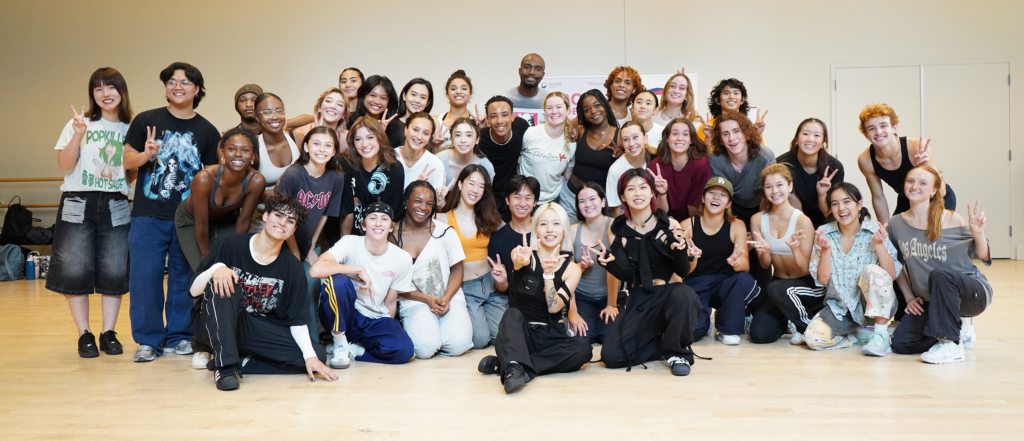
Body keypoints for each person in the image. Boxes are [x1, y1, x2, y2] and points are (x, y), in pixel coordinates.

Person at [122, 62, 220, 362]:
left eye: (185, 82)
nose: (178, 86)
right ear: (166, 87)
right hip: (148, 213)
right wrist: (146, 155)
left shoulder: (207, 130)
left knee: (184, 277)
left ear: (197, 89)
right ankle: (148, 340)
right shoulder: (146, 121)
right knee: (144, 278)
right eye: (172, 82)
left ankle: (180, 336)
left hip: (186, 217)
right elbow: (127, 161)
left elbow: (214, 172)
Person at [188, 192, 336, 390]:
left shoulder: (292, 267)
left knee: (317, 356)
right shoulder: (232, 244)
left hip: (254, 328)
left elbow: (297, 321)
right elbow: (193, 291)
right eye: (278, 215)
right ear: (266, 216)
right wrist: (216, 270)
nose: (283, 222)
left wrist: (309, 356)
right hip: (214, 321)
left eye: (290, 220)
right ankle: (225, 367)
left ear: (293, 230)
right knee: (226, 282)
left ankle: (242, 362)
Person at [50, 67, 133, 358]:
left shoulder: (130, 128)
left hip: (116, 203)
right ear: (92, 94)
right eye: (98, 89)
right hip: (78, 201)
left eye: (111, 88)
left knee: (114, 269)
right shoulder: (78, 123)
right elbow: (64, 165)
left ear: (122, 92)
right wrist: (77, 135)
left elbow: (132, 172)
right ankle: (84, 334)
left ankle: (108, 332)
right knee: (74, 268)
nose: (106, 94)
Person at [477, 203, 591, 394]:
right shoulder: (522, 253)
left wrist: (548, 275)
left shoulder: (572, 269)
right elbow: (517, 260)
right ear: (536, 229)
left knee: (583, 349)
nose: (549, 230)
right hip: (521, 335)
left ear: (564, 229)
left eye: (556, 224)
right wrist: (520, 259)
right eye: (543, 224)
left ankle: (512, 365)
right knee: (511, 314)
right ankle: (514, 364)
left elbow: (554, 308)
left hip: (552, 335)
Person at [599, 168, 701, 376]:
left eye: (643, 187)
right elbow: (627, 275)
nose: (638, 193)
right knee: (611, 357)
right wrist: (609, 264)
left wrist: (682, 253)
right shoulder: (617, 230)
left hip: (670, 293)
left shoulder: (669, 224)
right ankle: (662, 344)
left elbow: (683, 271)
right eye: (631, 189)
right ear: (622, 196)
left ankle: (677, 353)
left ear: (652, 192)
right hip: (640, 297)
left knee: (686, 295)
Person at [888, 165, 991, 364]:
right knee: (902, 344)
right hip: (933, 300)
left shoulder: (950, 218)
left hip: (971, 293)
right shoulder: (896, 224)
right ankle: (957, 329)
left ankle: (950, 343)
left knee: (941, 274)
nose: (915, 186)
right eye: (911, 181)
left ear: (934, 190)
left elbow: (982, 255)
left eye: (922, 183)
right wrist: (909, 297)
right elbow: (896, 263)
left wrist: (979, 233)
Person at [311, 202, 416, 368]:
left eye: (384, 219)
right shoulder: (350, 243)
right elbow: (315, 270)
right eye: (372, 218)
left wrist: (388, 332)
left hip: (375, 319)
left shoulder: (402, 258)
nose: (378, 223)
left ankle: (354, 350)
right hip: (346, 315)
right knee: (337, 281)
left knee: (405, 351)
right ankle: (339, 343)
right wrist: (356, 269)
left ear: (391, 227)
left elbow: (390, 302)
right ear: (364, 225)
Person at [801, 183, 901, 354]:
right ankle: (854, 336)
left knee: (872, 270)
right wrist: (825, 250)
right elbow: (823, 280)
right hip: (840, 309)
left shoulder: (874, 232)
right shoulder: (824, 233)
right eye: (835, 203)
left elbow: (891, 274)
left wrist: (879, 245)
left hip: (872, 307)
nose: (841, 208)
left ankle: (880, 335)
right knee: (813, 339)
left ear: (859, 205)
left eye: (847, 201)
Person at [392, 181, 474, 358]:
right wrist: (427, 300)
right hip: (413, 299)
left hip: (447, 296)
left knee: (458, 345)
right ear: (406, 201)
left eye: (429, 204)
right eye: (418, 201)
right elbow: (394, 281)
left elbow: (457, 270)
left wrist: (446, 298)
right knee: (425, 348)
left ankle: (442, 331)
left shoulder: (445, 232)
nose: (424, 207)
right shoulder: (392, 235)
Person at [681, 177, 759, 346]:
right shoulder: (688, 224)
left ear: (729, 203)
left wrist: (736, 263)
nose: (716, 198)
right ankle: (705, 320)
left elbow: (745, 265)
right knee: (692, 333)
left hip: (725, 284)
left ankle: (728, 328)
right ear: (703, 198)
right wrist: (692, 258)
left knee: (742, 279)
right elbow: (682, 271)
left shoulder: (736, 225)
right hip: (696, 283)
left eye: (722, 195)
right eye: (712, 193)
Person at [746, 165, 819, 345]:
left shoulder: (802, 221)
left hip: (805, 284)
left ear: (790, 186)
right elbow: (764, 265)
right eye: (769, 186)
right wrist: (763, 252)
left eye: (779, 185)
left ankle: (807, 327)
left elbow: (805, 267)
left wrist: (794, 249)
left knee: (774, 288)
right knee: (760, 335)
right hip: (778, 285)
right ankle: (790, 318)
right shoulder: (757, 219)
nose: (774, 191)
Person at [175, 128, 265, 271]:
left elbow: (244, 220)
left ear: (253, 156)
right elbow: (202, 224)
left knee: (231, 267)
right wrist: (208, 260)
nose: (238, 154)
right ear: (222, 152)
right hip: (192, 220)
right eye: (232, 149)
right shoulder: (204, 179)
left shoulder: (256, 181)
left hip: (226, 219)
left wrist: (235, 255)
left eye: (245, 150)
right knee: (205, 271)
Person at [437, 165, 503, 348]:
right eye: (471, 183)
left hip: (491, 283)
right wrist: (437, 202)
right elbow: (415, 218)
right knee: (480, 340)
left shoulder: (489, 217)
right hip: (465, 287)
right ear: (459, 184)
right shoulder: (443, 218)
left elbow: (511, 232)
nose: (475, 190)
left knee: (500, 337)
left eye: (481, 186)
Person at [856, 103, 956, 223]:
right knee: (895, 235)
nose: (878, 132)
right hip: (908, 199)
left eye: (883, 126)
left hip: (937, 198)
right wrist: (886, 229)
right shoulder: (865, 160)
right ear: (866, 134)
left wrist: (927, 165)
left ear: (894, 128)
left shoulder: (915, 146)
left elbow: (942, 191)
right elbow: (878, 197)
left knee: (929, 238)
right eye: (872, 128)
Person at [275, 126, 346, 265]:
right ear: (306, 147)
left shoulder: (337, 177)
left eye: (328, 145)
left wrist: (311, 247)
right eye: (316, 143)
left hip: (307, 243)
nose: (322, 149)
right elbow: (282, 218)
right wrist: (295, 252)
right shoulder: (293, 175)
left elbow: (325, 214)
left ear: (333, 152)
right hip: (282, 241)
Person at [708, 112, 776, 227]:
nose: (732, 138)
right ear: (720, 140)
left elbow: (768, 196)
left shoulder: (765, 156)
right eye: (725, 134)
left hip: (761, 208)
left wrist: (759, 227)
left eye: (736, 131)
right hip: (730, 209)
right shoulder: (716, 159)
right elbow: (719, 195)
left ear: (746, 133)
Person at [569, 182, 617, 344]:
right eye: (582, 201)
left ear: (603, 202)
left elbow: (616, 270)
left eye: (592, 199)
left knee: (609, 338)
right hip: (582, 296)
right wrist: (573, 313)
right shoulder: (573, 230)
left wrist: (612, 304)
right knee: (583, 337)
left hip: (609, 296)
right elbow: (566, 273)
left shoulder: (614, 227)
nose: (587, 205)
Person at [340, 117, 405, 235]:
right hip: (354, 233)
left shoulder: (394, 169)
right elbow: (347, 210)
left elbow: (390, 213)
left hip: (380, 233)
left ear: (380, 138)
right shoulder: (345, 165)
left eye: (370, 137)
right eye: (358, 139)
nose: (364, 144)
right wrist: (346, 243)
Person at [775, 118, 844, 228]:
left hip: (826, 224)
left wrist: (822, 194)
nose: (810, 139)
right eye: (805, 134)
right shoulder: (781, 164)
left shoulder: (834, 167)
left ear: (823, 143)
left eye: (817, 135)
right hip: (790, 221)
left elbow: (829, 212)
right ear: (796, 139)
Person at [487, 175, 540, 300]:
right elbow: (502, 288)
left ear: (535, 202)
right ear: (507, 200)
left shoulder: (544, 230)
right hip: (516, 301)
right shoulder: (498, 239)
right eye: (517, 197)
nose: (522, 204)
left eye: (528, 198)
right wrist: (501, 281)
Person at [649, 118, 711, 223]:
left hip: (691, 223)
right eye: (675, 134)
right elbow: (659, 211)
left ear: (691, 140)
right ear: (667, 139)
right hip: (663, 222)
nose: (680, 138)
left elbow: (694, 207)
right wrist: (662, 193)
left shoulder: (701, 165)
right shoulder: (656, 166)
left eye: (685, 134)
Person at [518, 92, 575, 206]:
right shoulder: (531, 133)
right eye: (549, 108)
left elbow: (568, 176)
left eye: (559, 107)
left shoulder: (572, 143)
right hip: (526, 198)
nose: (554, 111)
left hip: (553, 199)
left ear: (568, 110)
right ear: (544, 111)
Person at [479, 95, 530, 221]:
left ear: (512, 116)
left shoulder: (521, 127)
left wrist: (571, 131)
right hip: (488, 196)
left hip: (514, 194)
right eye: (494, 116)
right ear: (488, 120)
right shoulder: (480, 139)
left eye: (504, 115)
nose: (500, 121)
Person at [568, 90, 620, 209]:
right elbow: (561, 126)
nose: (593, 111)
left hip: (598, 203)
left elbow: (634, 162)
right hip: (570, 196)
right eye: (587, 110)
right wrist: (571, 130)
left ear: (605, 105)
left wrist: (623, 156)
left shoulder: (620, 135)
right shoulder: (581, 131)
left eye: (597, 105)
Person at [254, 93, 300, 196]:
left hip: (295, 210)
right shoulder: (253, 147)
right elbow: (244, 195)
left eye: (279, 111)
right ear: (257, 117)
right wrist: (273, 192)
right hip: (261, 210)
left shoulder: (297, 140)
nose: (274, 117)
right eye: (267, 113)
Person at [605, 121, 653, 217]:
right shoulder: (616, 170)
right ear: (622, 143)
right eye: (626, 140)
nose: (631, 144)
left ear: (645, 138)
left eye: (635, 137)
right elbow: (616, 209)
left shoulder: (657, 160)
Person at [700, 78, 767, 142]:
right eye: (726, 93)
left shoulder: (750, 127)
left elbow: (762, 153)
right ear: (717, 100)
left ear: (742, 100)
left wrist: (758, 133)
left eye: (736, 93)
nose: (731, 97)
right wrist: (708, 137)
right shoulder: (707, 127)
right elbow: (704, 154)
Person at [435, 116, 495, 186]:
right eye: (458, 135)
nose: (463, 140)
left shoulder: (485, 165)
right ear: (452, 139)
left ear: (477, 140)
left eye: (469, 135)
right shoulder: (439, 161)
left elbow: (486, 195)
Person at [290, 87, 349, 157]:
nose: (333, 106)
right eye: (328, 101)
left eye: (339, 104)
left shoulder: (347, 138)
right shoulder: (300, 133)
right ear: (319, 108)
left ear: (344, 115)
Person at [348, 75, 403, 148]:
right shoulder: (350, 121)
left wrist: (380, 133)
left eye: (383, 98)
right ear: (364, 96)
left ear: (388, 102)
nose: (377, 101)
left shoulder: (396, 130)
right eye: (373, 95)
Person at [436, 70, 485, 150]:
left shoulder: (479, 122)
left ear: (470, 94)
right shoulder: (436, 121)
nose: (458, 92)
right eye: (453, 89)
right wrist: (435, 144)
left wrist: (482, 129)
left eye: (464, 89)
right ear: (447, 94)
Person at [395, 112, 444, 190]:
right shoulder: (390, 157)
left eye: (426, 133)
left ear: (429, 138)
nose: (419, 137)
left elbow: (435, 200)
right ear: (406, 130)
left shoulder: (435, 164)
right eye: (415, 130)